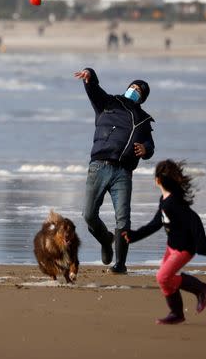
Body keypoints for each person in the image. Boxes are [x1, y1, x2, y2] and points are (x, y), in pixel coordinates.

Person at [74, 68, 154, 273]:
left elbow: (150, 146)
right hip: (99, 166)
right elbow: (93, 88)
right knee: (89, 215)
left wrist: (145, 149)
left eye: (139, 90)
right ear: (127, 88)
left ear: (142, 98)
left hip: (123, 173)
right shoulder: (108, 103)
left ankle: (120, 265)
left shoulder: (144, 120)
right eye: (132, 87)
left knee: (123, 218)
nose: (134, 90)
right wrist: (89, 74)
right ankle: (105, 239)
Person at [123, 159, 206, 325]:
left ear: (157, 180)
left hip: (184, 249)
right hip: (172, 247)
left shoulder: (174, 203)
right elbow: (156, 223)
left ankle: (201, 288)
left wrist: (202, 246)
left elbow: (194, 220)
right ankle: (177, 313)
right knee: (165, 280)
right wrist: (135, 236)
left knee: (163, 277)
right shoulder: (165, 200)